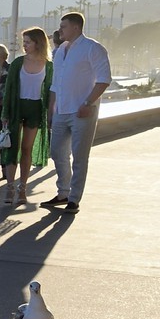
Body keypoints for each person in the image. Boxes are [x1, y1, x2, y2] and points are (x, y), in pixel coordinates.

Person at [40, 12, 111, 215]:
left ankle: (74, 199)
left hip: (83, 110)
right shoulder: (61, 50)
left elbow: (104, 79)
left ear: (76, 28)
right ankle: (63, 192)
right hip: (62, 110)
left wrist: (88, 103)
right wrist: (51, 110)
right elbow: (56, 84)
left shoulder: (93, 48)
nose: (60, 30)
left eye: (64, 26)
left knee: (80, 156)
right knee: (57, 152)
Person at [0, 27, 53, 205]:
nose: (25, 45)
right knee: (12, 147)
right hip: (17, 106)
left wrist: (50, 113)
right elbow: (8, 90)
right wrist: (5, 112)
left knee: (27, 148)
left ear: (38, 43)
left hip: (36, 109)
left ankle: (22, 188)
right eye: (24, 42)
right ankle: (9, 188)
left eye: (28, 42)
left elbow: (51, 91)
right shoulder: (17, 63)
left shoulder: (48, 65)